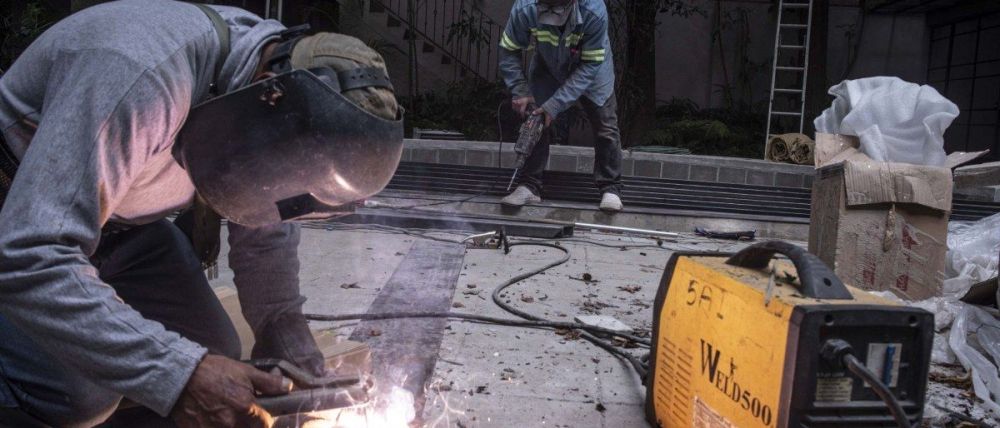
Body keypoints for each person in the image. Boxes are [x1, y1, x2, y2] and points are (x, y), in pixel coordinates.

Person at [0, 1, 402, 427]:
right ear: (266, 92)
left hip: (117, 227)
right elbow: (31, 252)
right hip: (18, 219)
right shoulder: (137, 73)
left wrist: (280, 326)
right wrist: (179, 375)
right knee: (78, 396)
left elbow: (264, 219)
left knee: (212, 351)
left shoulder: (256, 89)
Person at [498, 0, 624, 212]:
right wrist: (520, 90)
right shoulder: (524, 7)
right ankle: (529, 185)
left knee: (605, 125)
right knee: (536, 117)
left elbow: (591, 64)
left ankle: (610, 188)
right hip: (548, 64)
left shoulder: (594, 11)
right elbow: (508, 49)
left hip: (592, 69)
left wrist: (555, 105)